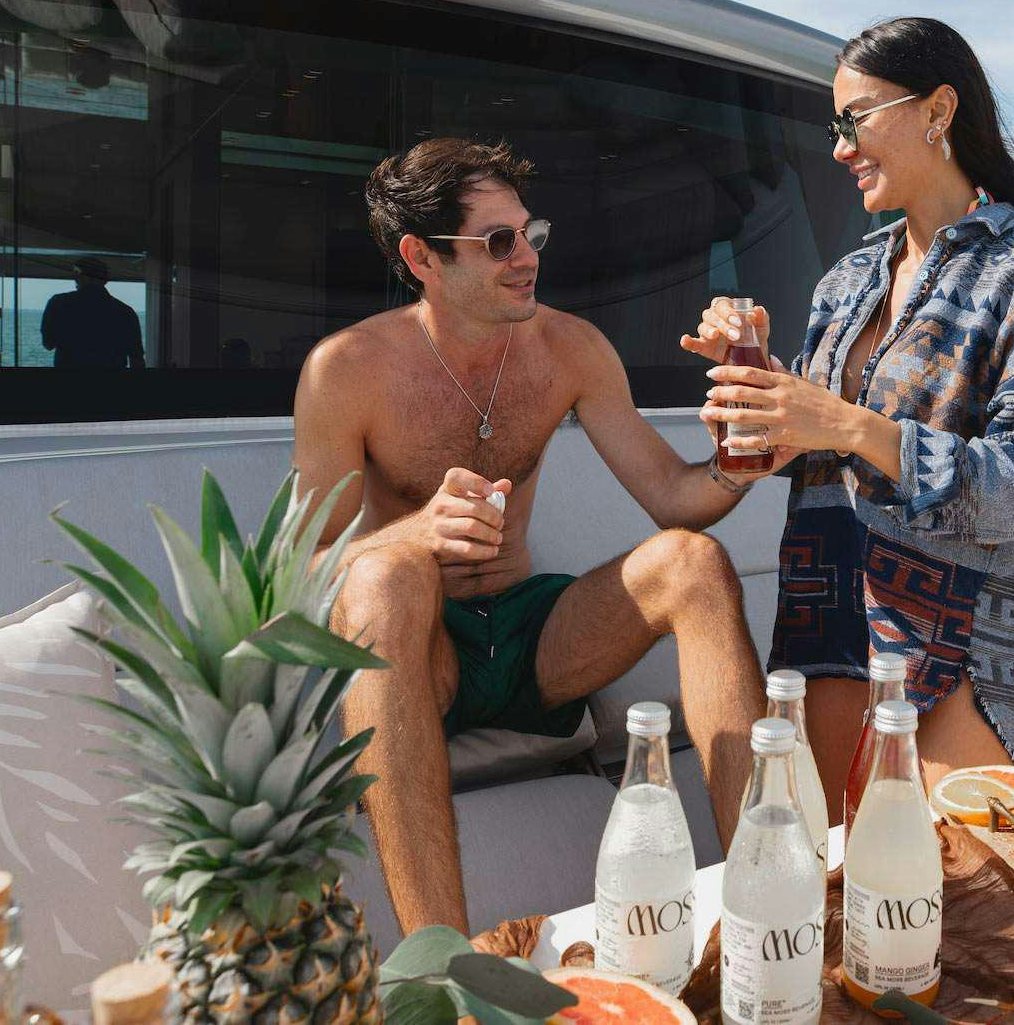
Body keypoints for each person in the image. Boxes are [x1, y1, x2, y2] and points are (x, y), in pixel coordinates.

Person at [296, 137, 771, 936]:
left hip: (528, 635)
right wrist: (417, 531)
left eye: (530, 232)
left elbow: (672, 497)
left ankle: (768, 918)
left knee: (692, 563)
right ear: (422, 256)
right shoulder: (346, 370)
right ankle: (442, 975)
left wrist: (737, 460)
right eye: (497, 241)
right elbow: (300, 569)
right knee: (385, 579)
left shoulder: (570, 348)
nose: (527, 258)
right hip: (419, 651)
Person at [681, 17, 1014, 816]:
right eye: (837, 125)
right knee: (832, 895)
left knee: (952, 911)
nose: (839, 146)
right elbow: (807, 449)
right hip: (827, 614)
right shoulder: (845, 280)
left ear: (938, 111)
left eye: (856, 118)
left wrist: (846, 423)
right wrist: (755, 392)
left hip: (959, 631)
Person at [40, 257, 144, 369]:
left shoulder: (58, 303)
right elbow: (136, 358)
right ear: (105, 280)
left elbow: (48, 344)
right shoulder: (126, 312)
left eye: (76, 273)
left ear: (80, 277)